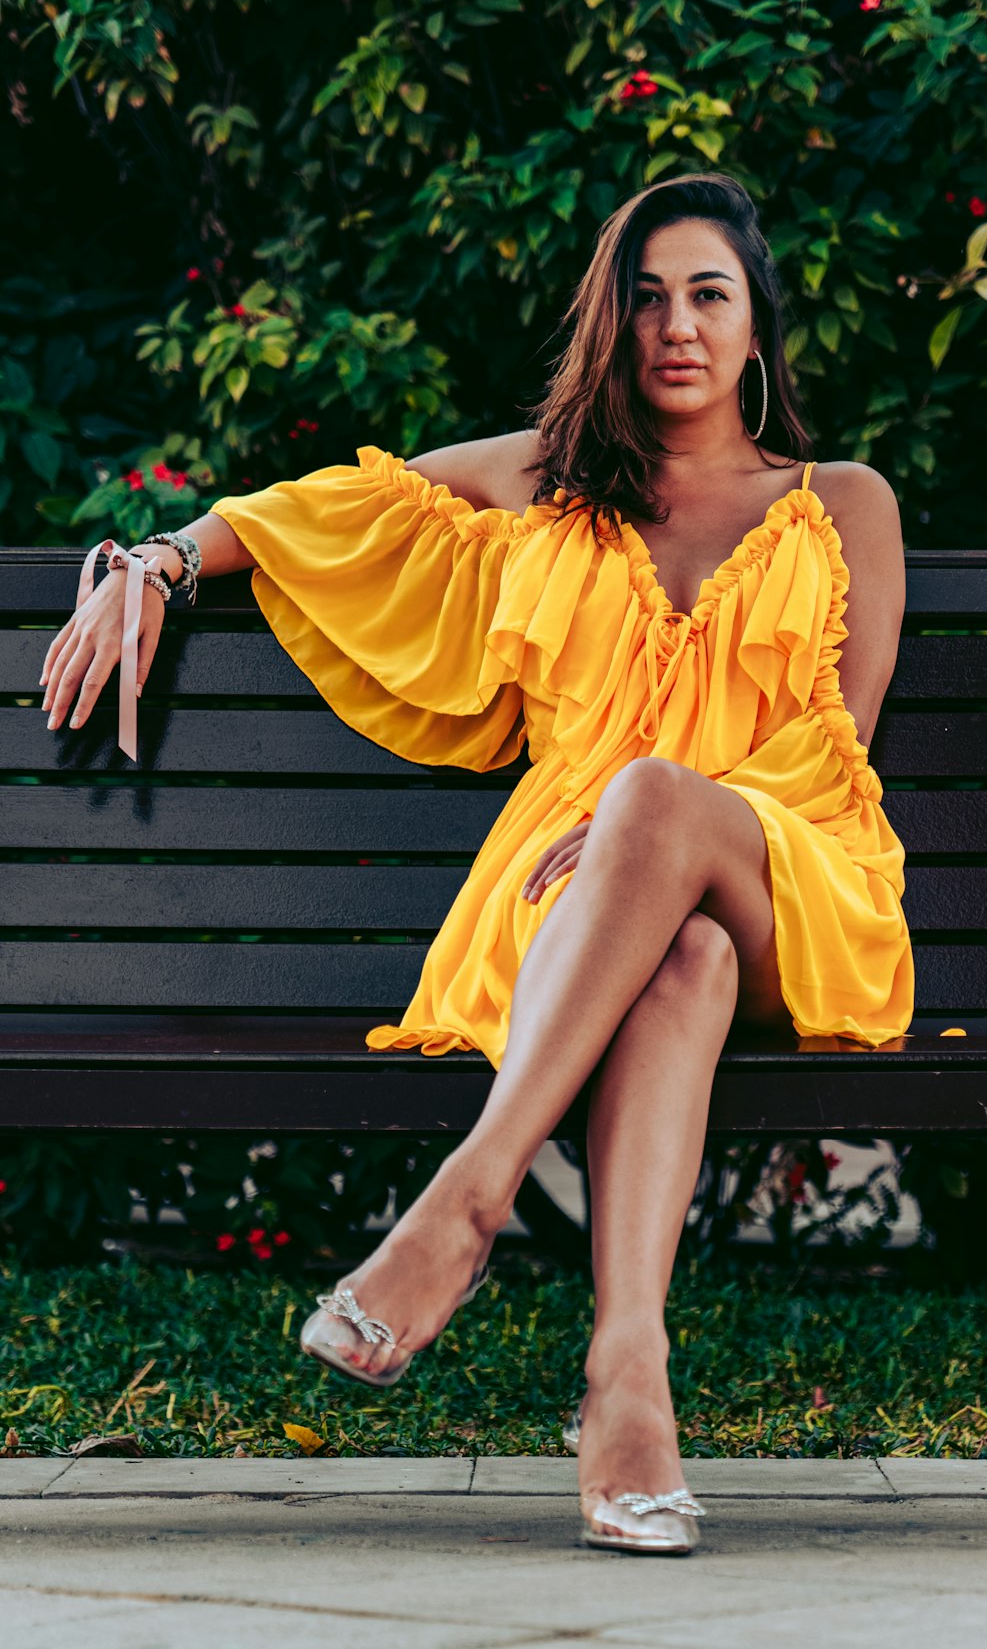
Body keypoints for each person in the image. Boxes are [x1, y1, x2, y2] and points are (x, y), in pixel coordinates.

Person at [41, 172, 914, 1555]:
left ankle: (466, 1198)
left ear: (758, 329)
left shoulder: (843, 504)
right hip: (570, 911)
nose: (674, 326)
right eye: (644, 296)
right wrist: (155, 559)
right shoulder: (546, 481)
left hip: (787, 884)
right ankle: (628, 1378)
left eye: (708, 294)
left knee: (674, 850)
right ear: (610, 325)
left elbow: (838, 757)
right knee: (668, 948)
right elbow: (326, 510)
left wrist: (664, 816)